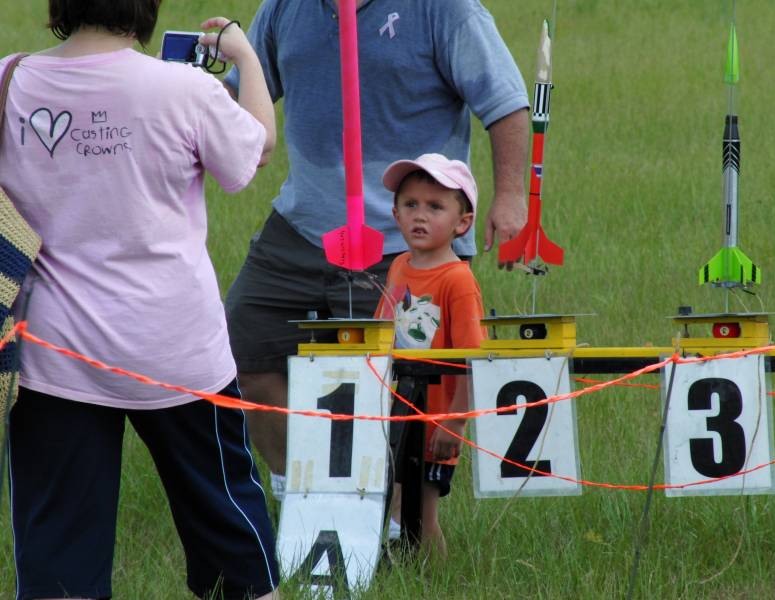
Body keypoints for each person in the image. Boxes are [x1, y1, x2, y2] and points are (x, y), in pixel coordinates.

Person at [0, 2, 280, 598]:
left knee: (58, 563)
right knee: (230, 534)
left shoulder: (9, 80)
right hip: (178, 352)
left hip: (54, 354)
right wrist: (246, 57)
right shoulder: (183, 88)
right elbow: (256, 150)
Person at [223, 0, 530, 500]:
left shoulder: (444, 9)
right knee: (241, 353)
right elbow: (240, 96)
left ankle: (398, 517)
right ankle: (300, 490)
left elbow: (505, 101)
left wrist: (512, 197)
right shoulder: (285, 7)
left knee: (405, 388)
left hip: (408, 240)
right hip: (302, 226)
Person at [375, 153, 487, 555]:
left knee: (422, 515)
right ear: (395, 214)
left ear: (462, 223)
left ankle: (437, 578)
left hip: (436, 419)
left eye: (435, 207)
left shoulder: (458, 280)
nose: (420, 215)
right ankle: (398, 568)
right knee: (392, 502)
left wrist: (454, 422)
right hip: (396, 413)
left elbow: (472, 360)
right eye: (411, 204)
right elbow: (382, 333)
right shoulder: (399, 266)